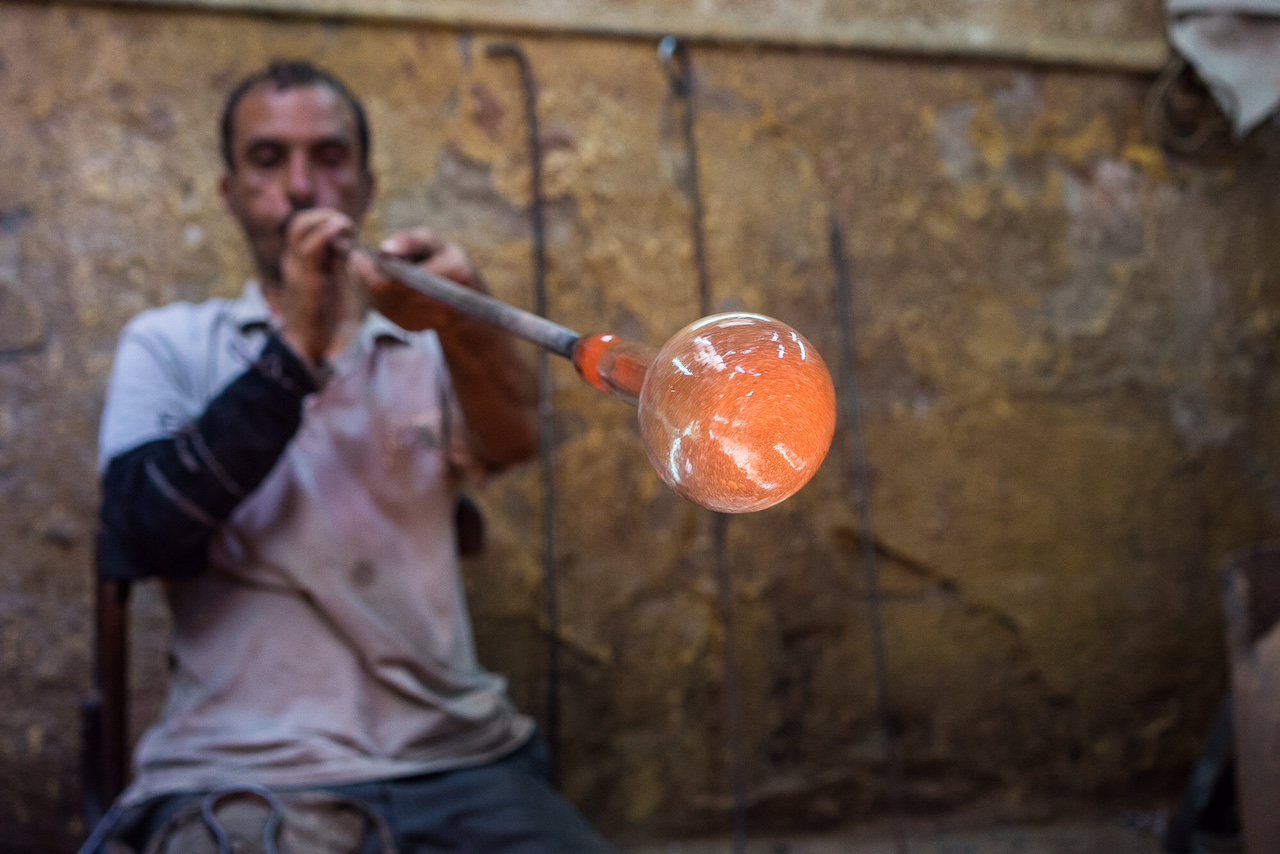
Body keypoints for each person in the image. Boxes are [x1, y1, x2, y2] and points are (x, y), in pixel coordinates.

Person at [90, 60, 616, 853]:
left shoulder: (421, 343)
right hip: (240, 768)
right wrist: (297, 347)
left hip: (457, 760)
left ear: (365, 187)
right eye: (268, 160)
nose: (302, 187)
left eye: (329, 158)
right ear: (231, 191)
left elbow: (513, 441)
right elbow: (140, 532)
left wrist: (466, 322)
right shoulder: (170, 343)